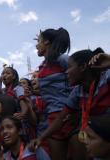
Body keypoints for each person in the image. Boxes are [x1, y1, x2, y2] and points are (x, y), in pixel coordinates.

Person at [29, 48, 110, 160]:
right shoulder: (77, 91)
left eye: (70, 67)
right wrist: (41, 138)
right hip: (97, 135)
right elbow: (61, 118)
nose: (66, 71)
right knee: (76, 139)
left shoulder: (106, 77)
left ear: (82, 67)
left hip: (105, 135)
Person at [30, 27, 81, 160]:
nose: (37, 45)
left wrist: (79, 109)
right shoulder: (42, 67)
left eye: (39, 41)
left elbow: (81, 78)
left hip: (71, 116)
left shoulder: (62, 59)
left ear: (47, 42)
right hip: (52, 120)